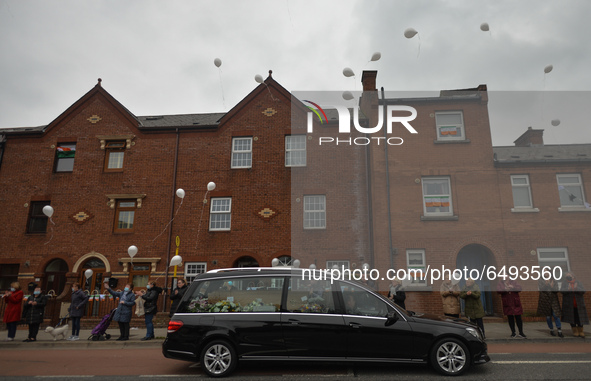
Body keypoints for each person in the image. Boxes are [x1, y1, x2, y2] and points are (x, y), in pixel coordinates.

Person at [560, 271, 589, 338]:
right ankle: (575, 331)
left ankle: (581, 331)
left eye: (570, 275)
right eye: (567, 276)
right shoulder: (564, 283)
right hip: (569, 304)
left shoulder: (578, 282)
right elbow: (561, 291)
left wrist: (576, 288)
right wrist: (568, 289)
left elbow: (583, 291)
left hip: (578, 304)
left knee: (579, 317)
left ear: (573, 276)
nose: (569, 277)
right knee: (571, 318)